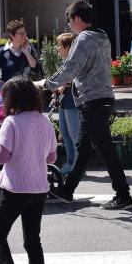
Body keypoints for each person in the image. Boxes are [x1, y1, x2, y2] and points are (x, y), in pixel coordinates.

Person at [37, 1, 132, 211]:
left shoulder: (83, 39)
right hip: (102, 97)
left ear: (77, 19)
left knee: (105, 149)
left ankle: (123, 194)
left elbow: (70, 68)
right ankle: (67, 191)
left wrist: (46, 83)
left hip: (91, 100)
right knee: (82, 149)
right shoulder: (102, 36)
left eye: (69, 21)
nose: (69, 25)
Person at [0, 76, 56, 264]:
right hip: (39, 189)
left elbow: (1, 157)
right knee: (33, 240)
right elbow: (51, 158)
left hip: (15, 188)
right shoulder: (45, 122)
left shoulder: (11, 122)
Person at [54, 33, 79, 176]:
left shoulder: (72, 62)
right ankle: (71, 162)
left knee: (74, 135)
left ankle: (76, 164)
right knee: (64, 133)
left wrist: (56, 87)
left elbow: (66, 83)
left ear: (68, 47)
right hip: (64, 102)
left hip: (72, 103)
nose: (58, 49)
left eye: (59, 46)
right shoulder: (66, 62)